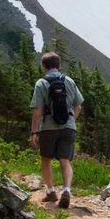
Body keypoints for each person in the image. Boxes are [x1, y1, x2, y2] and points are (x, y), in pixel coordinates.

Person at [29, 51, 84, 208]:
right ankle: (66, 190)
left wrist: (34, 132)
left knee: (45, 159)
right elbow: (78, 105)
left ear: (44, 66)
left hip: (48, 127)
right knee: (65, 160)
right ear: (59, 65)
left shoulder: (41, 83)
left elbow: (37, 111)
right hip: (68, 127)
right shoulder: (69, 81)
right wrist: (71, 120)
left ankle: (51, 191)